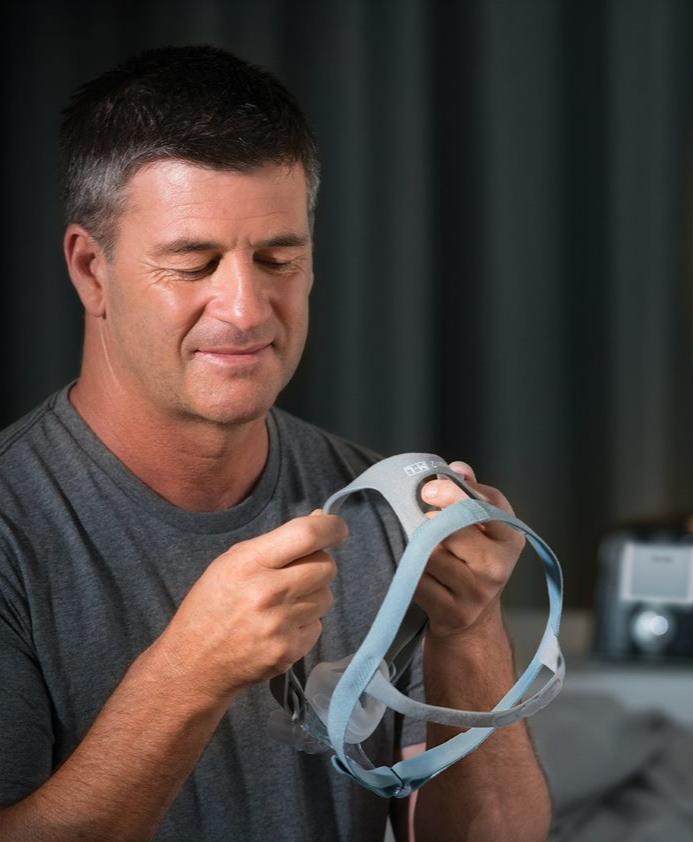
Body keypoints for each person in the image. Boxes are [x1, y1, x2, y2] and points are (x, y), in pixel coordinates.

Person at [0, 45, 551, 841]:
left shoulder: (377, 502)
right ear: (91, 270)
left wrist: (470, 634)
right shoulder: (16, 531)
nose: (246, 308)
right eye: (192, 264)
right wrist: (190, 675)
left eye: (277, 259)